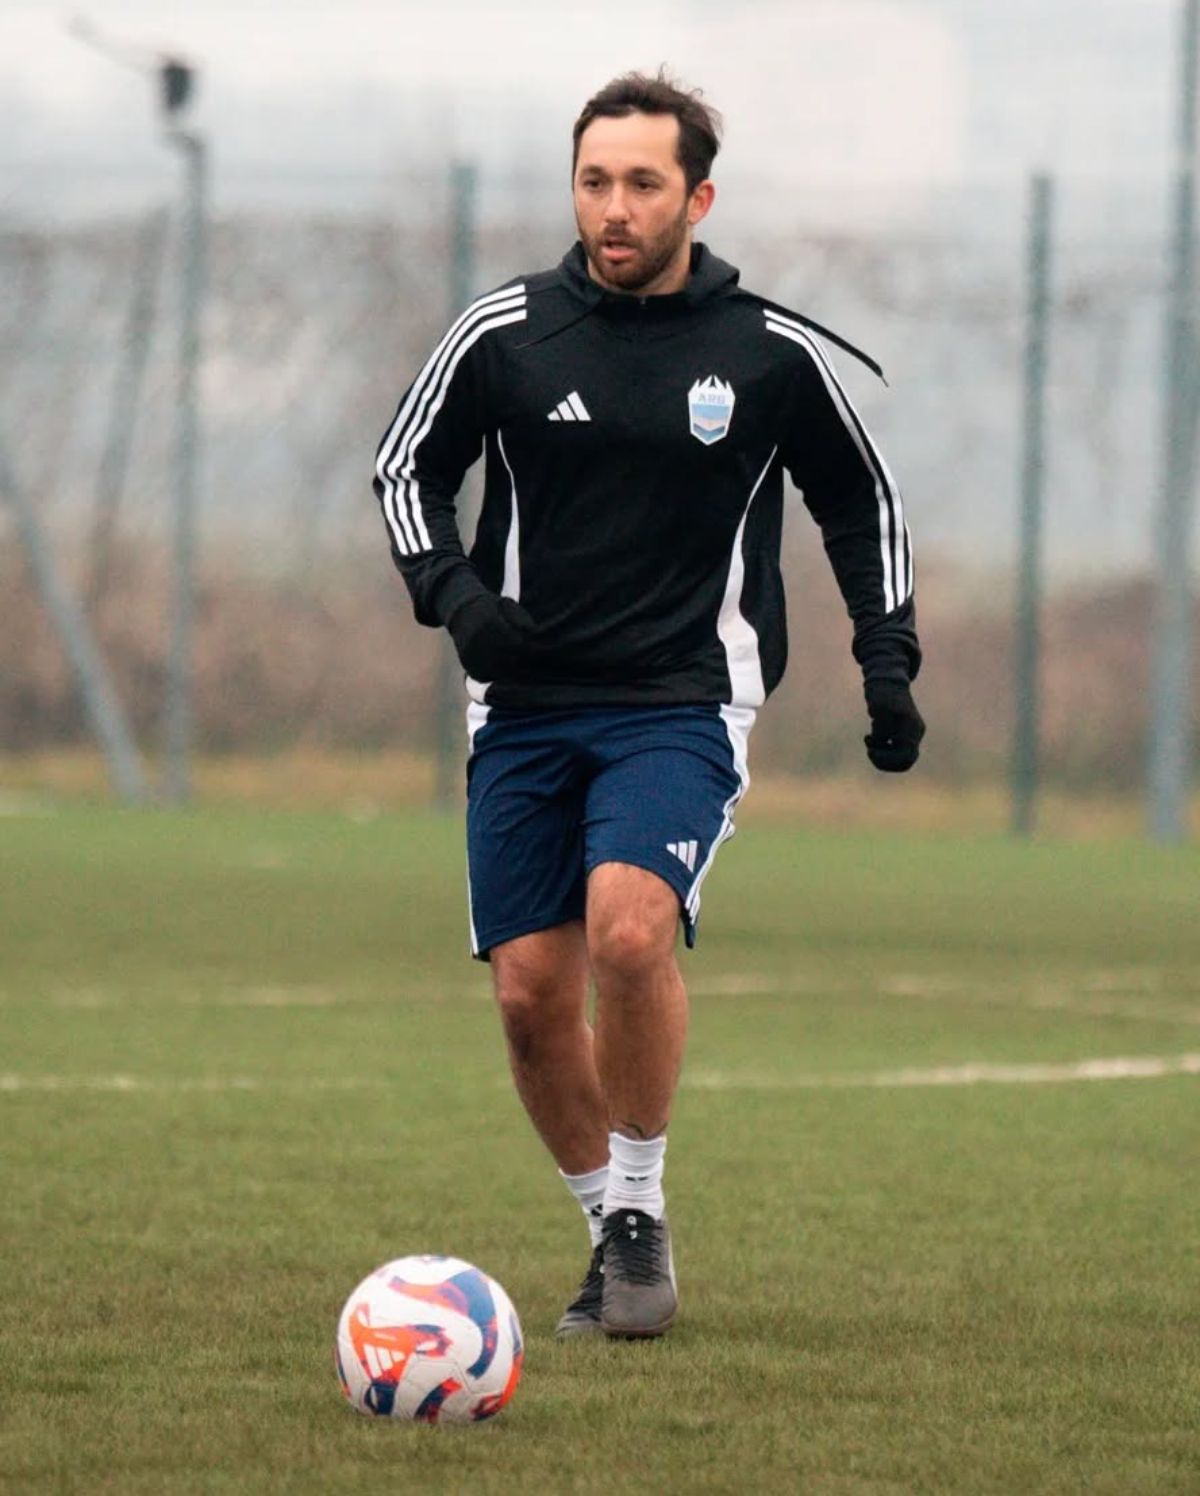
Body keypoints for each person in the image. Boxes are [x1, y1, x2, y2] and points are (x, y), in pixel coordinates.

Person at [372, 69, 924, 1340]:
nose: (613, 208)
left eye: (642, 184)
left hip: (682, 697)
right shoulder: (504, 334)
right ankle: (613, 1230)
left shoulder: (768, 354)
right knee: (526, 992)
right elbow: (408, 470)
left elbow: (863, 497)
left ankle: (637, 1204)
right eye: (594, 181)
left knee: (629, 935)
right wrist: (458, 599)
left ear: (697, 196)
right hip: (521, 704)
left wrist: (884, 656)